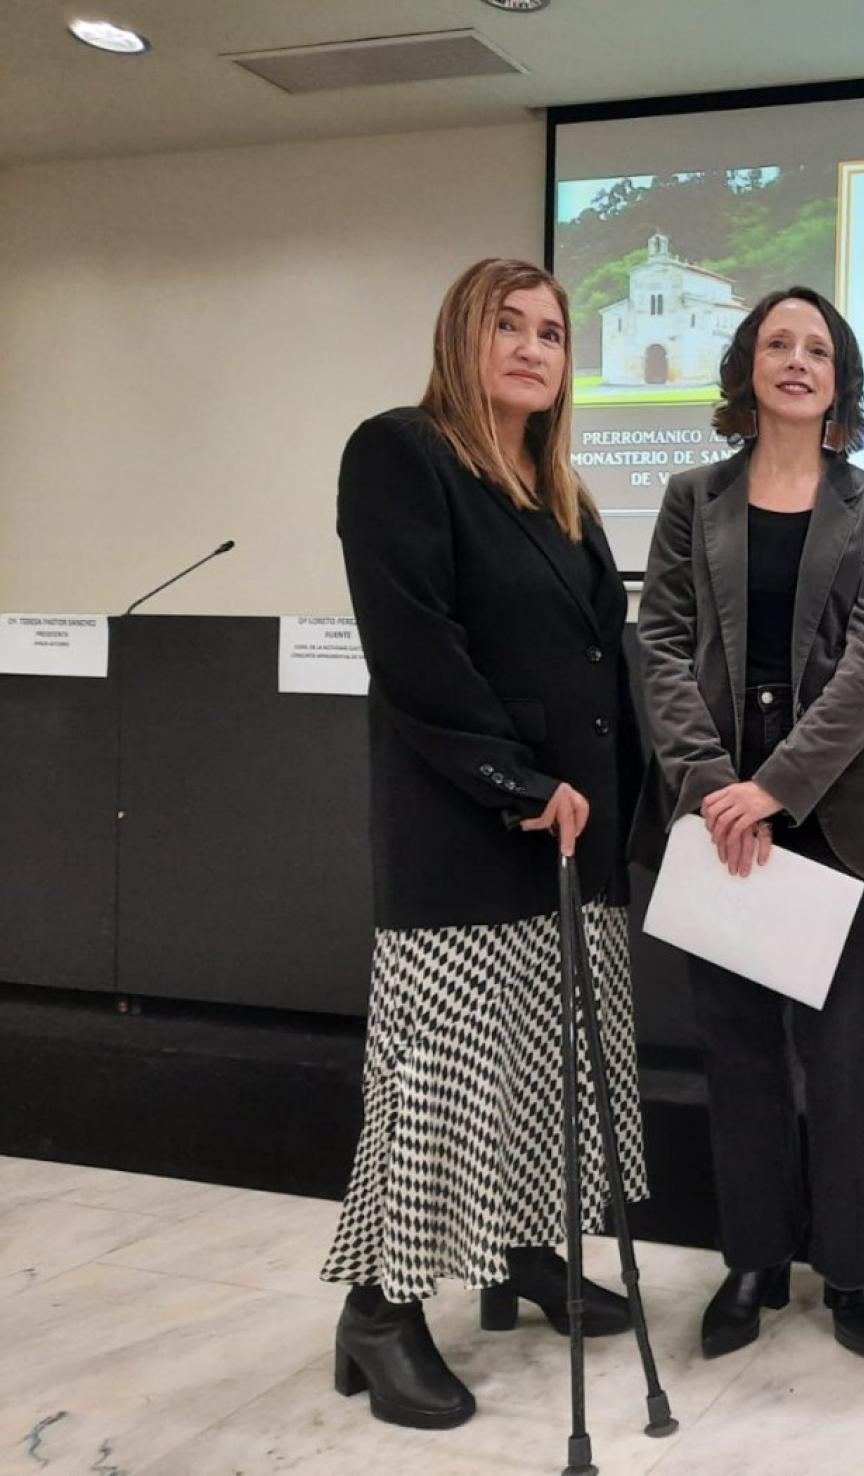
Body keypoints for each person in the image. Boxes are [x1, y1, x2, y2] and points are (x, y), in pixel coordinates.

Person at [321, 258, 648, 1430]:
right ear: (463, 336)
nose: (530, 347)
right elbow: (415, 654)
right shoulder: (402, 454)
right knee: (437, 1087)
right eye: (506, 325)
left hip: (573, 840)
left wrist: (631, 808)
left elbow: (605, 668)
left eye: (551, 333)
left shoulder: (562, 494)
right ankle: (381, 1312)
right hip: (467, 834)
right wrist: (519, 781)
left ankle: (522, 1254)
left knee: (543, 1072)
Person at [629, 286, 864, 1362]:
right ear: (748, 366)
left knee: (846, 1061)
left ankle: (851, 1268)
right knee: (739, 1056)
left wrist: (778, 786)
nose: (798, 359)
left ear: (841, 379)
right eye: (778, 342)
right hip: (720, 821)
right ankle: (752, 1258)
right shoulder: (690, 495)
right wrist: (711, 784)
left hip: (830, 815)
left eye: (819, 347)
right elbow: (657, 642)